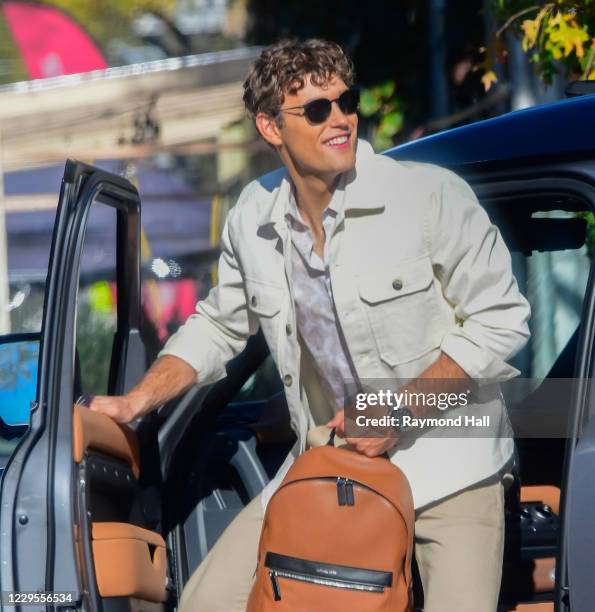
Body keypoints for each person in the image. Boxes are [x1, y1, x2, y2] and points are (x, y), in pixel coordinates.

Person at [90, 38, 531, 612]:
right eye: (317, 110)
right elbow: (220, 326)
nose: (341, 120)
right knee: (209, 603)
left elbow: (501, 322)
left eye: (346, 101)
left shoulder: (429, 197)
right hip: (327, 460)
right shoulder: (254, 217)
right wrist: (135, 403)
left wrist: (392, 413)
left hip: (450, 460)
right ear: (271, 127)